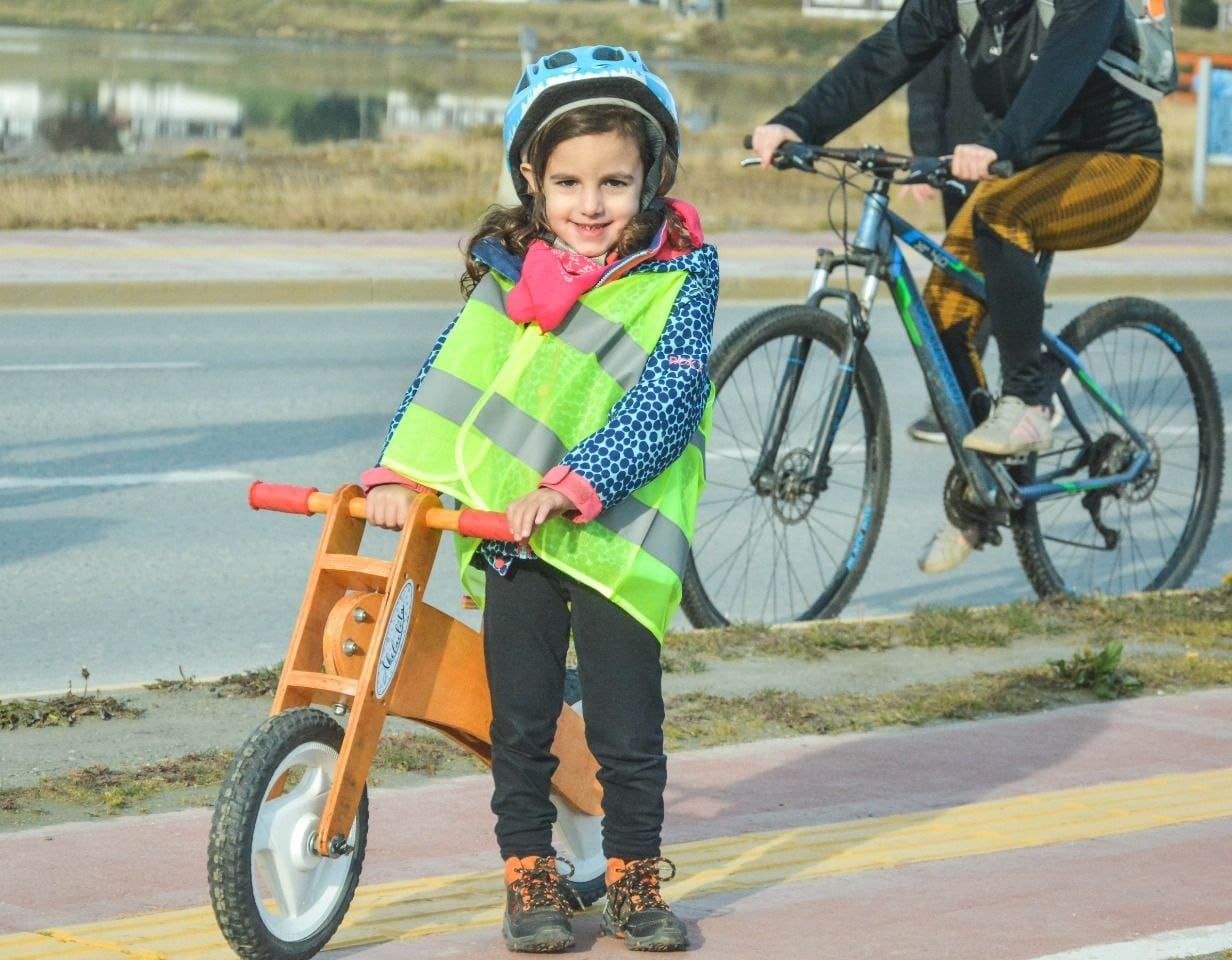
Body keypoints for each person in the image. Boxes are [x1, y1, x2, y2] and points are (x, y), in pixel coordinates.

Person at [362, 45, 717, 954]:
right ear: (531, 178)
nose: (589, 205)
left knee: (625, 730)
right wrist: (401, 474)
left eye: (614, 182)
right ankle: (531, 882)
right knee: (518, 724)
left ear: (653, 179)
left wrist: (572, 485)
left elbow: (668, 403)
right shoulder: (510, 272)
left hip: (615, 540)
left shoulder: (682, 275)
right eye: (566, 182)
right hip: (513, 539)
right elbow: (453, 377)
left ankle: (636, 883)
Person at [751, 0, 1163, 575]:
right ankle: (981, 493)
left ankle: (1030, 403)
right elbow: (885, 55)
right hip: (1017, 171)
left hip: (1116, 164)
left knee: (1000, 218)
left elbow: (1060, 70)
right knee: (944, 320)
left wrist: (1004, 144)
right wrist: (798, 122)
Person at [903, 44, 992, 444]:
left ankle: (1023, 392)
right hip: (958, 161)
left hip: (1018, 157)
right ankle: (965, 394)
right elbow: (925, 82)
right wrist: (925, 155)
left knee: (996, 277)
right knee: (967, 280)